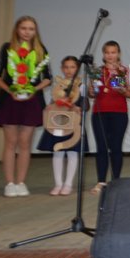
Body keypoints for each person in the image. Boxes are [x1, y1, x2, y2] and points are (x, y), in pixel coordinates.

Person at [0, 16, 52, 197]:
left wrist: (34, 90)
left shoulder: (41, 50)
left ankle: (21, 182)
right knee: (11, 142)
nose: (27, 32)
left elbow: (48, 78)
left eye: (31, 29)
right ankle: (10, 183)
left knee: (25, 142)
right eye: (24, 28)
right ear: (17, 29)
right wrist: (10, 90)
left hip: (31, 100)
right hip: (10, 99)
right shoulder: (6, 48)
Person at [89, 41, 130, 194]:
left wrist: (122, 90)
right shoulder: (97, 71)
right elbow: (91, 93)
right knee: (101, 147)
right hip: (99, 112)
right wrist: (90, 91)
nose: (110, 55)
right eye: (107, 52)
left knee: (116, 147)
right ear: (103, 54)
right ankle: (101, 181)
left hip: (119, 113)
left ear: (118, 54)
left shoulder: (124, 71)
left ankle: (116, 181)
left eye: (113, 52)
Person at [37, 56, 85, 195]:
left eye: (72, 67)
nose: (69, 70)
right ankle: (58, 184)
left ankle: (68, 184)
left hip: (73, 124)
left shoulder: (81, 85)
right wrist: (49, 107)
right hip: (58, 123)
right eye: (66, 67)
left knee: (72, 152)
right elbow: (54, 101)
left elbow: (85, 104)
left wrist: (78, 107)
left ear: (77, 69)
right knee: (57, 152)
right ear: (62, 68)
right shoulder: (58, 84)